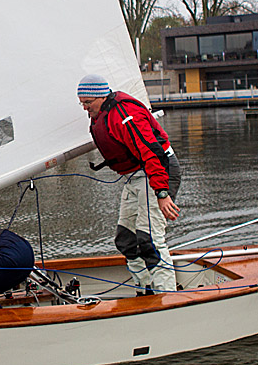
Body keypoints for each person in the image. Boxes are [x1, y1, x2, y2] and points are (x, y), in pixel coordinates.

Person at [77, 73, 182, 294]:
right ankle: (145, 289)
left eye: (88, 102)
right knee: (126, 239)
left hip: (156, 171)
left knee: (150, 239)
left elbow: (152, 153)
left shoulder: (126, 115)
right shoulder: (102, 113)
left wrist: (161, 193)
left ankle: (168, 295)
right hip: (135, 177)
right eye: (82, 103)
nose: (85, 108)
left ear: (101, 96)